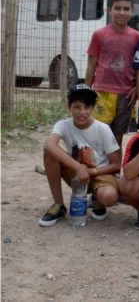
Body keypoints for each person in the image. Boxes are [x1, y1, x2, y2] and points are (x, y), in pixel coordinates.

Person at [39, 84, 121, 227]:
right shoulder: (63, 125)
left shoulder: (102, 128)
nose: (82, 112)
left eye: (87, 107)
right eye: (77, 107)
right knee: (50, 153)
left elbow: (116, 165)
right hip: (77, 173)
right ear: (69, 107)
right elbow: (49, 145)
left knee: (109, 197)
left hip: (100, 173)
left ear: (92, 108)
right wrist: (78, 167)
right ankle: (59, 205)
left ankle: (97, 199)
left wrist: (91, 171)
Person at [85, 0, 139, 149]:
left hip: (126, 95)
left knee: (117, 138)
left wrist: (137, 87)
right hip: (101, 93)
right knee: (99, 136)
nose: (121, 13)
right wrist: (86, 93)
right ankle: (96, 171)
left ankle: (114, 173)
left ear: (132, 10)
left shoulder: (137, 37)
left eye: (126, 9)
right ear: (109, 9)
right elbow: (91, 66)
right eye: (117, 8)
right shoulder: (99, 35)